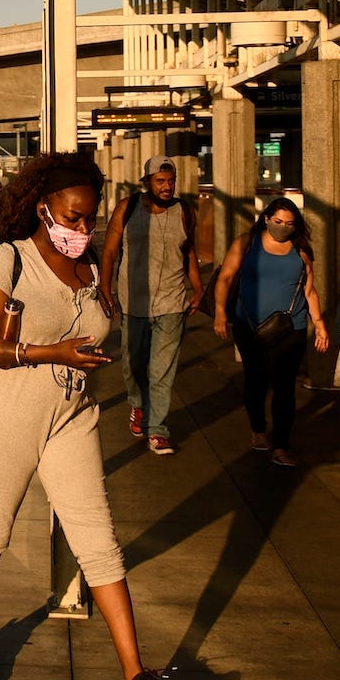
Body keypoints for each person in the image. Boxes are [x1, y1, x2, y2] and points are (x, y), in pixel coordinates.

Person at [0, 150, 197, 680]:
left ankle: (135, 678)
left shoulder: (88, 271)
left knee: (98, 539)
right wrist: (49, 351)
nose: (82, 229)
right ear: (45, 208)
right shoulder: (11, 260)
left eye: (90, 219)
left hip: (71, 417)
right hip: (4, 414)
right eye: (74, 218)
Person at [211, 198, 331, 468]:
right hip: (249, 326)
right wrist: (220, 312)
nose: (283, 227)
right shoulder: (247, 243)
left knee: (285, 387)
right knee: (256, 381)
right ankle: (259, 430)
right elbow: (226, 277)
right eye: (277, 222)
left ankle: (281, 446)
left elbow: (309, 290)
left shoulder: (301, 250)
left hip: (292, 328)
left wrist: (320, 323)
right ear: (265, 218)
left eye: (289, 224)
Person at [97, 156, 204, 457]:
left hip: (172, 301)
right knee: (132, 365)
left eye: (171, 181)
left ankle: (157, 431)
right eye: (160, 181)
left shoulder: (184, 211)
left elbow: (189, 253)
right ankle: (137, 404)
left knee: (162, 371)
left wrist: (198, 289)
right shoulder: (127, 208)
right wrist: (106, 288)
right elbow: (109, 251)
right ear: (146, 182)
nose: (167, 186)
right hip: (134, 302)